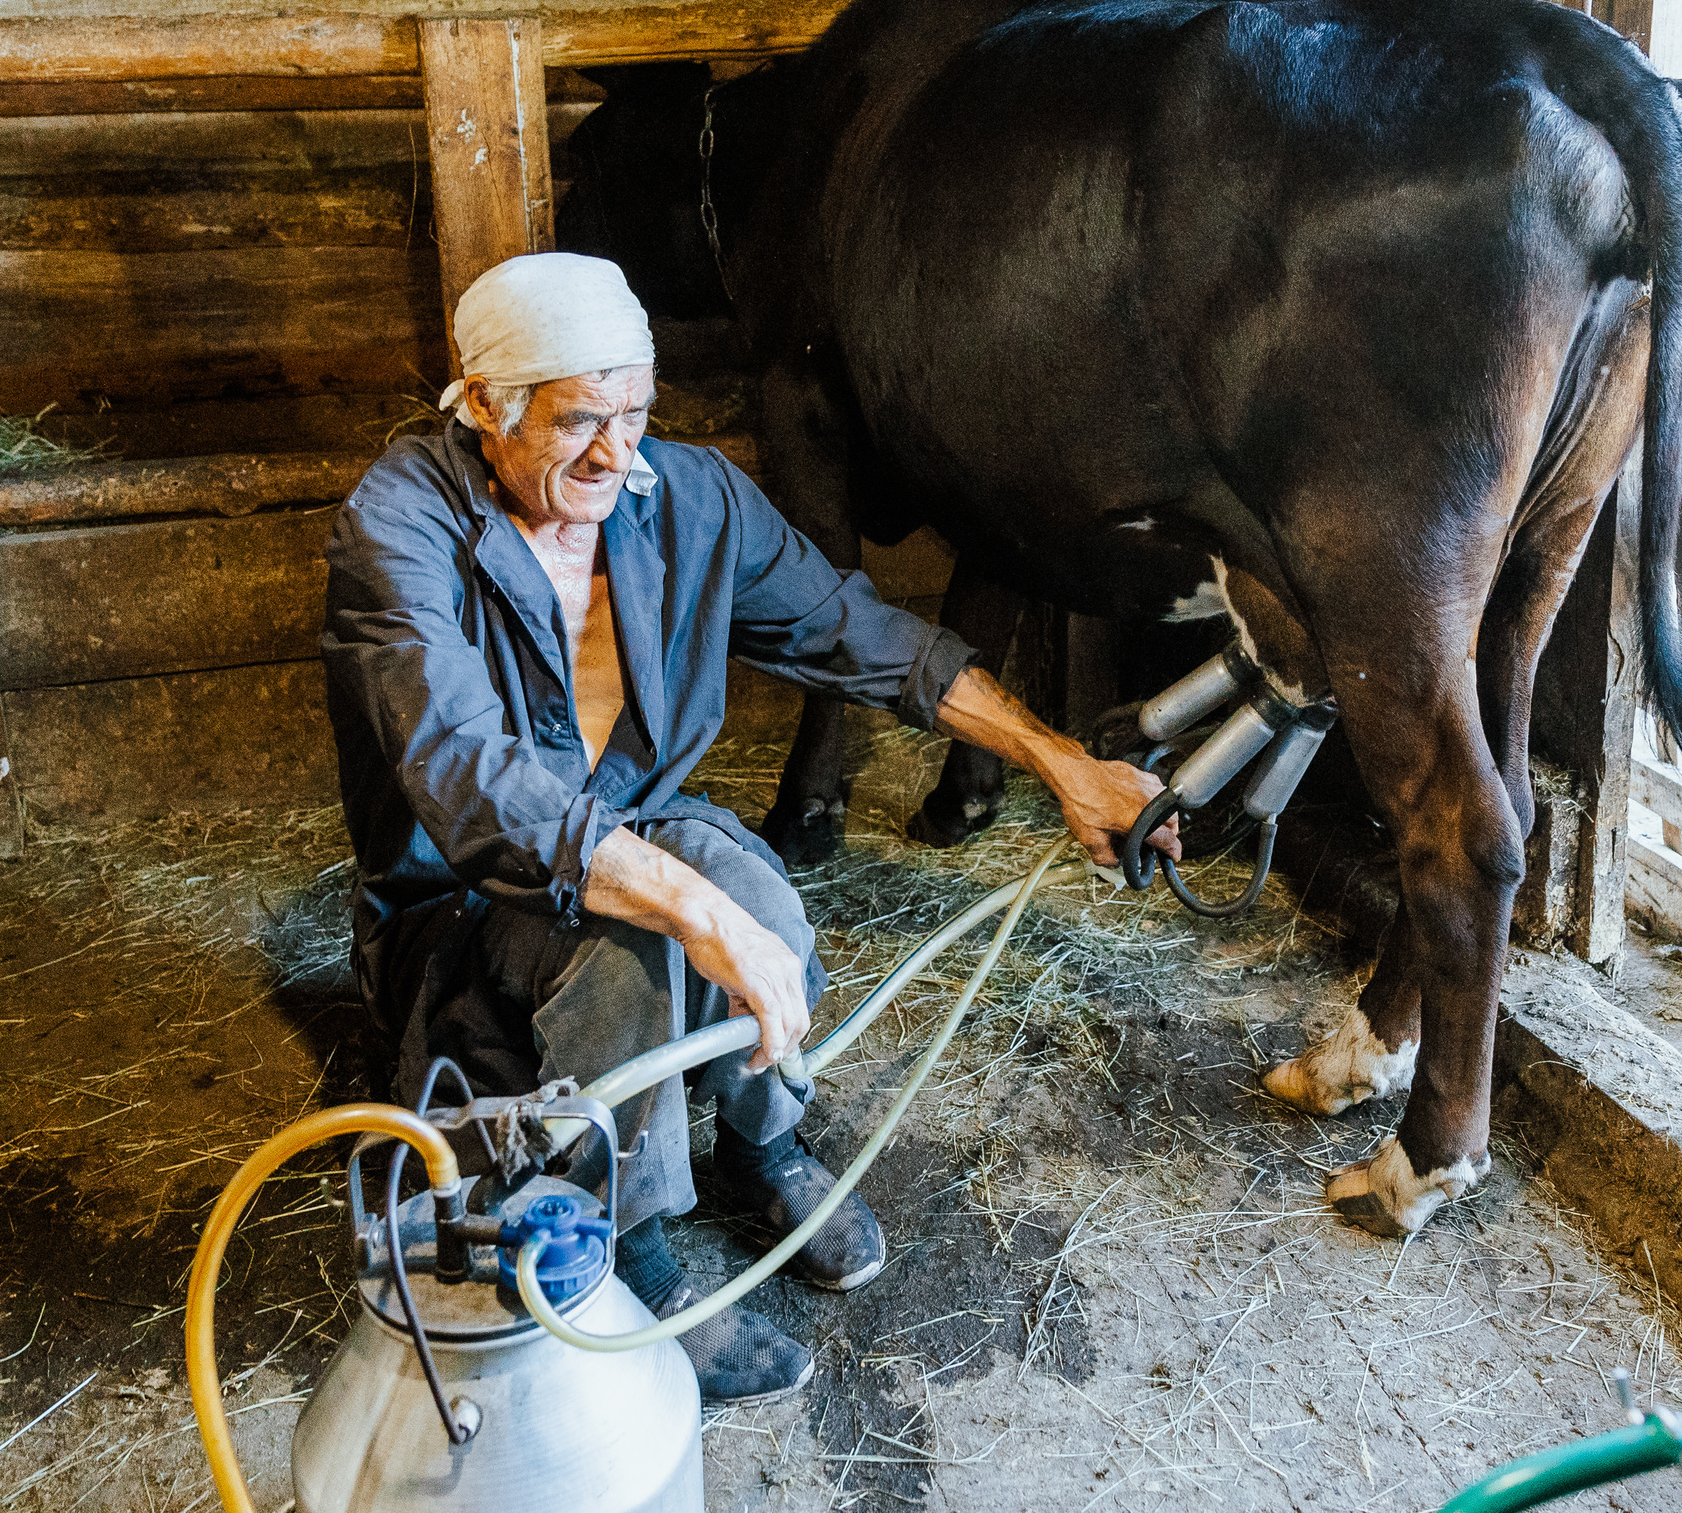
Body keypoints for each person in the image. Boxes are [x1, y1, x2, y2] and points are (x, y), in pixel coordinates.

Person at [321, 252, 1177, 1406]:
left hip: (634, 823)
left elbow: (853, 629)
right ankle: (637, 1252)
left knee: (760, 894)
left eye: (635, 414)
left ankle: (761, 1143)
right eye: (580, 422)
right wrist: (690, 908)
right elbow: (473, 781)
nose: (617, 454)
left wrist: (1064, 764)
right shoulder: (400, 525)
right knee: (637, 950)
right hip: (471, 898)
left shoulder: (682, 497)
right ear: (486, 406)